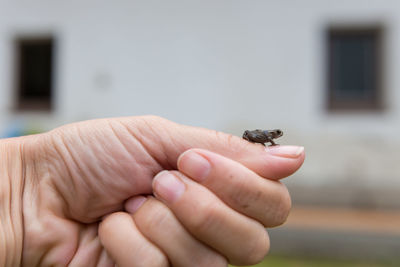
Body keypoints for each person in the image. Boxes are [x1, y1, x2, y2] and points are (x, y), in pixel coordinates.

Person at [0, 115, 305, 267]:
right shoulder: (260, 138)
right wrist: (24, 189)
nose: (274, 137)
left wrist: (27, 201)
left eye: (275, 137)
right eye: (275, 135)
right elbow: (253, 137)